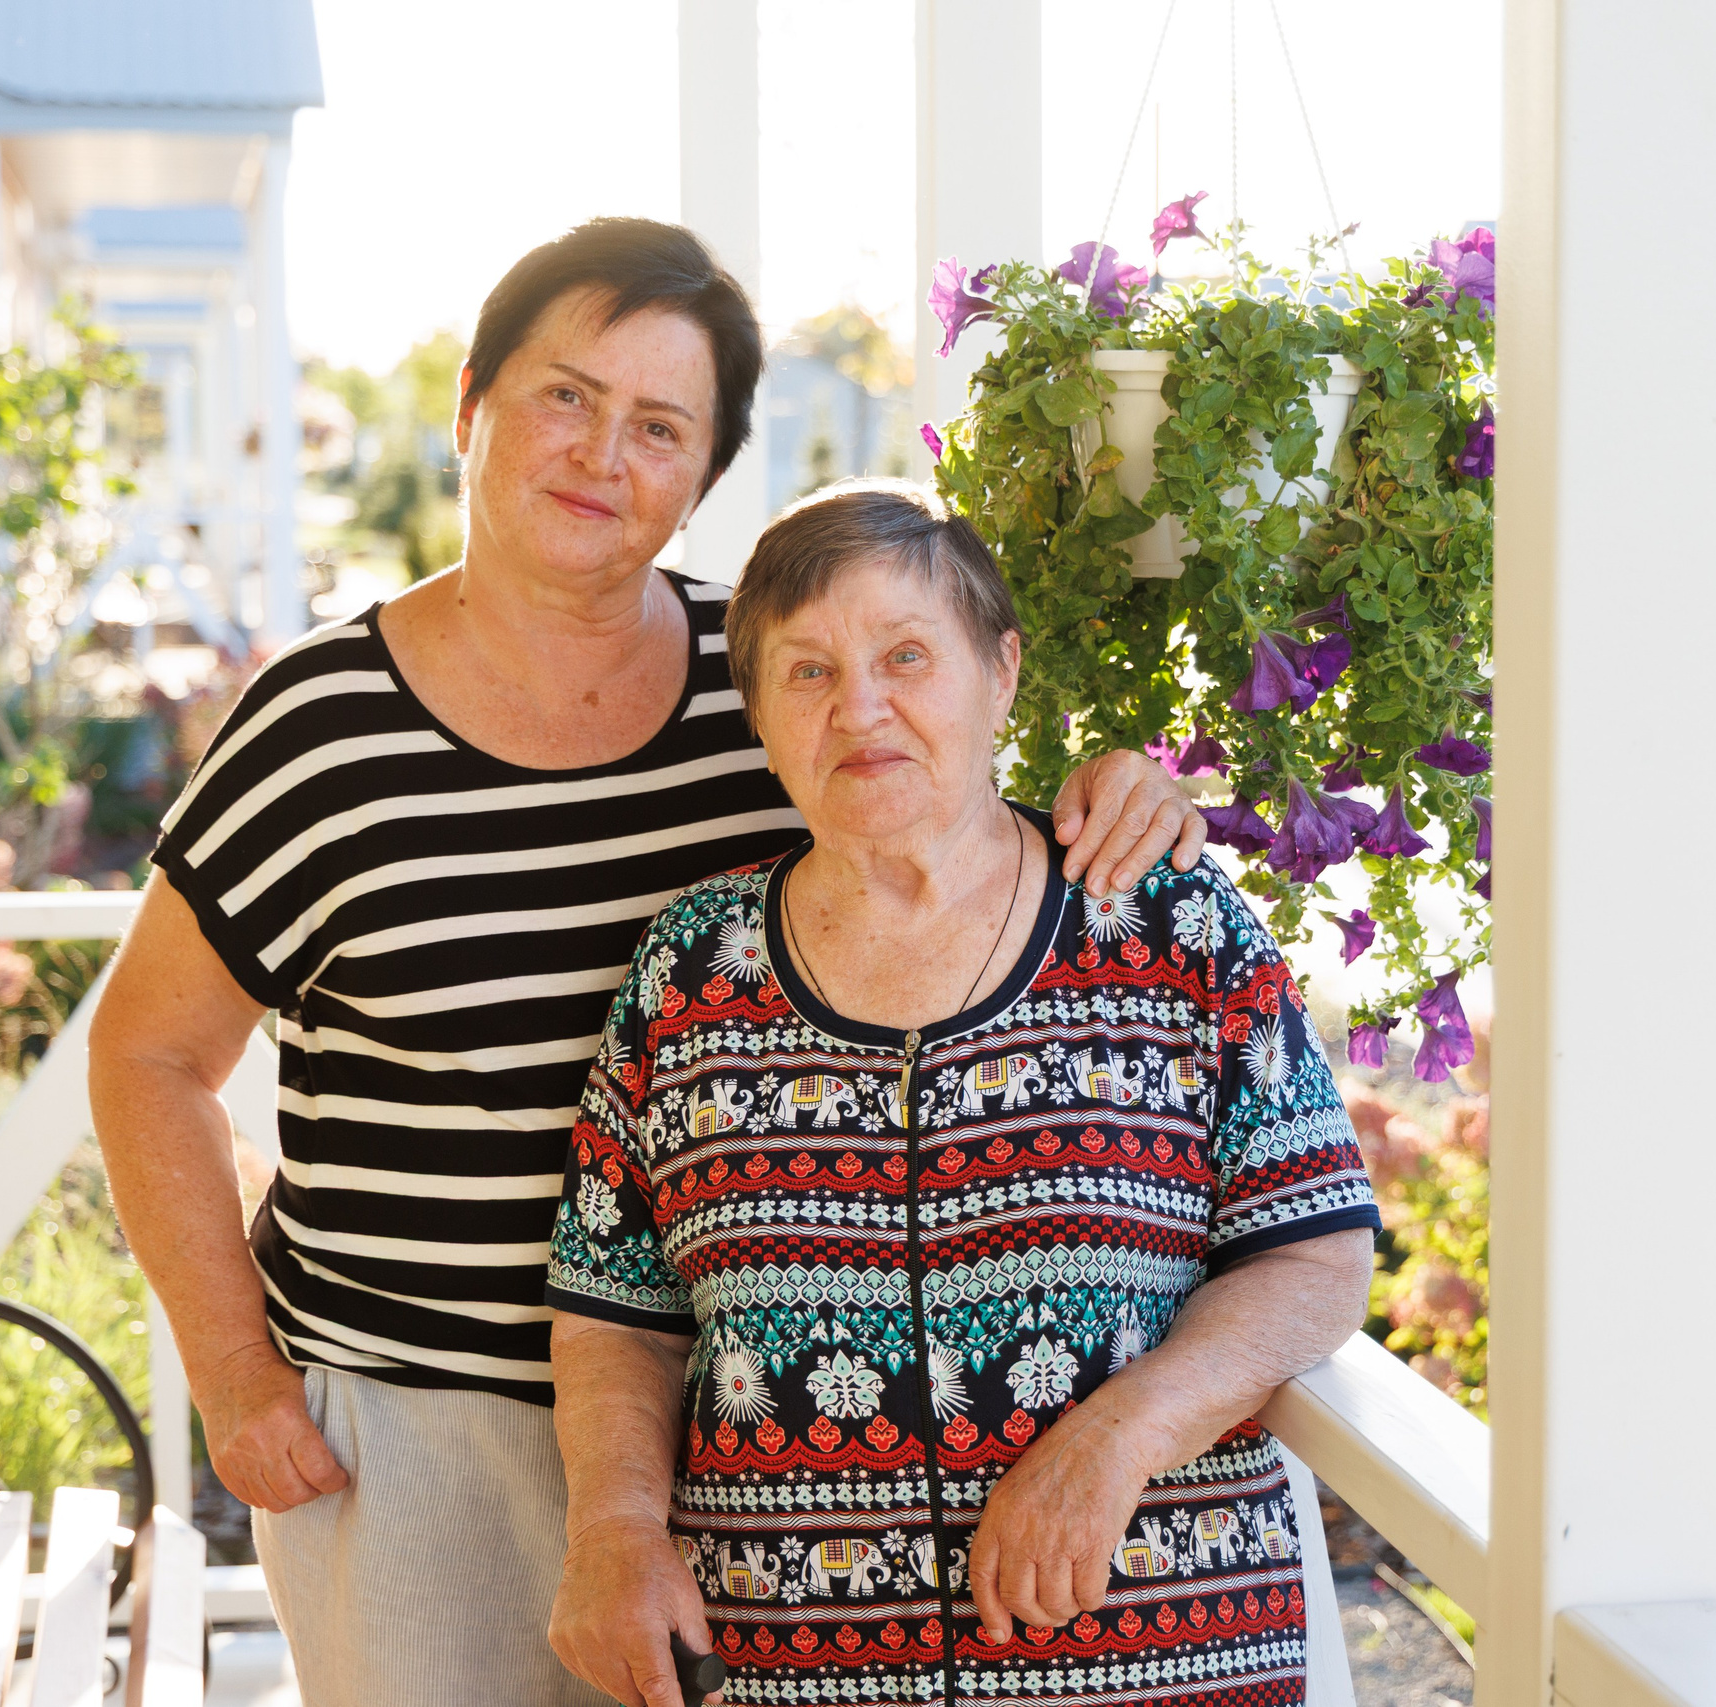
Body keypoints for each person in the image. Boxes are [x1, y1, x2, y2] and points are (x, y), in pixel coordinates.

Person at [88, 220, 1208, 1707]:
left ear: (700, 477)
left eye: (660, 427)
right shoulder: (316, 726)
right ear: (471, 404)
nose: (603, 455)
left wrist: (1127, 783)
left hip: (745, 1440)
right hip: (418, 1437)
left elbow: (956, 816)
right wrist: (235, 1372)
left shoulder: (776, 685)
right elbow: (148, 1053)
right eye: (566, 396)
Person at [543, 481, 1381, 1707]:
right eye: (809, 673)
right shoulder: (688, 971)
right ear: (762, 719)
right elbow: (615, 1313)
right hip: (790, 1674)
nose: (860, 707)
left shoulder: (1168, 925)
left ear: (1000, 673)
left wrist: (1115, 1441)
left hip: (1152, 1657)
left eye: (906, 656)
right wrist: (614, 1528)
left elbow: (1315, 1255)